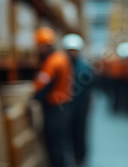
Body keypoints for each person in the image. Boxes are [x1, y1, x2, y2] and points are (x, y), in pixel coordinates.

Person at [33, 27, 74, 167]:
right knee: (61, 143)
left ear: (45, 45)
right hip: (64, 106)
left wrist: (32, 99)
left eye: (39, 46)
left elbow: (42, 87)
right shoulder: (62, 57)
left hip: (55, 109)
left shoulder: (53, 61)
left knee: (54, 144)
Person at [62, 33, 95, 167]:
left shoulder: (84, 67)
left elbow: (88, 88)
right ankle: (72, 156)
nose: (72, 53)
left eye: (74, 50)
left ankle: (80, 157)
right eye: (69, 50)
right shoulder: (64, 64)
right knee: (68, 132)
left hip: (81, 105)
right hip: (67, 105)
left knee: (79, 131)